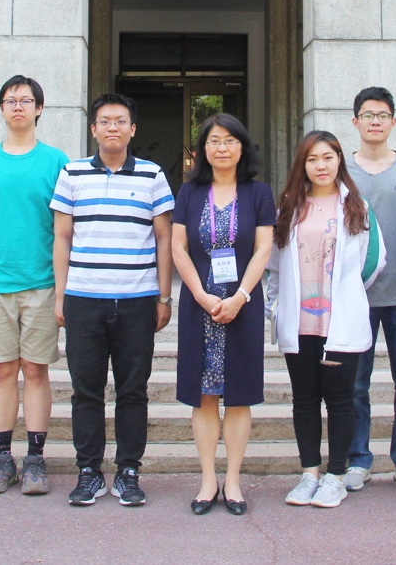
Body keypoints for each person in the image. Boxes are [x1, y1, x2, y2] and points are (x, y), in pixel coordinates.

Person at [51, 93, 174, 507]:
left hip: (136, 300)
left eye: (120, 121)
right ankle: (88, 471)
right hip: (83, 299)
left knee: (132, 390)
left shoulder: (152, 175)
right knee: (85, 390)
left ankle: (128, 471)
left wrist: (163, 296)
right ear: (94, 129)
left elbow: (163, 238)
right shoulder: (71, 173)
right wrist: (60, 296)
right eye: (105, 121)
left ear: (132, 129)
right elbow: (62, 237)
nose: (113, 128)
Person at [0, 76, 70, 496]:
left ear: (39, 109)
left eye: (26, 100)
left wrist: (62, 291)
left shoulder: (56, 161)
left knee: (36, 370)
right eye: (11, 100)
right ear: (1, 109)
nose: (18, 106)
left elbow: (64, 232)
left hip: (42, 283)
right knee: (3, 370)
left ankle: (36, 459)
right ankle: (2, 457)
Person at [268, 130, 385, 509]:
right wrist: (275, 306)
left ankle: (335, 476)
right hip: (299, 320)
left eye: (328, 157)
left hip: (339, 320)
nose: (321, 165)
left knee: (339, 399)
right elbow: (274, 265)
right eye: (312, 159)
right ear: (302, 164)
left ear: (339, 160)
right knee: (304, 399)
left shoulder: (357, 206)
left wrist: (347, 292)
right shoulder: (289, 206)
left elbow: (373, 261)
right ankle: (309, 474)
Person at [171, 114, 275, 516]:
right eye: (214, 141)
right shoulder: (190, 192)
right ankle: (207, 480)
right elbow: (178, 247)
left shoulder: (258, 193)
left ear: (242, 147)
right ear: (203, 150)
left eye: (230, 140)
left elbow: (262, 249)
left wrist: (240, 297)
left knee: (239, 395)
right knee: (204, 395)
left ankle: (232, 480)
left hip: (242, 306)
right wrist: (200, 295)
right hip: (199, 308)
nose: (222, 148)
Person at [343, 87, 396, 494]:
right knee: (355, 386)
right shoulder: (341, 170)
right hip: (356, 296)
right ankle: (357, 459)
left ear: (393, 122)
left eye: (382, 115)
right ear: (355, 121)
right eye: (367, 115)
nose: (374, 121)